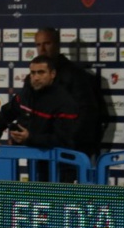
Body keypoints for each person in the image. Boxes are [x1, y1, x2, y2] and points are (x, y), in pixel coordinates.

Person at [0, 54, 81, 179]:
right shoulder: (26, 95)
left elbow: (63, 139)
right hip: (35, 163)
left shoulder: (65, 102)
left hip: (61, 167)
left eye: (41, 72)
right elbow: (5, 114)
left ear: (52, 74)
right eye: (33, 73)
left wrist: (30, 137)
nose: (36, 77)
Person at [33, 27, 109, 160]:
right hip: (40, 151)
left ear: (57, 44)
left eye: (47, 43)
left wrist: (68, 140)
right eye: (38, 45)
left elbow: (87, 112)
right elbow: (25, 107)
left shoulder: (76, 75)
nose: (42, 49)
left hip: (68, 153)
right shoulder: (34, 77)